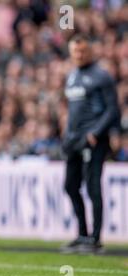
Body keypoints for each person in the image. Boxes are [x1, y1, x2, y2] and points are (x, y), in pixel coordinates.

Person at [61, 34, 120, 254]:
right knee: (70, 186)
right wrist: (67, 134)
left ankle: (95, 239)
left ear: (90, 51)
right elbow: (72, 111)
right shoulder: (72, 76)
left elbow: (113, 110)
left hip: (94, 141)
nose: (79, 55)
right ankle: (82, 234)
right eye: (75, 51)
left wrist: (96, 132)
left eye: (83, 51)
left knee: (93, 187)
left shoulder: (101, 76)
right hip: (74, 140)